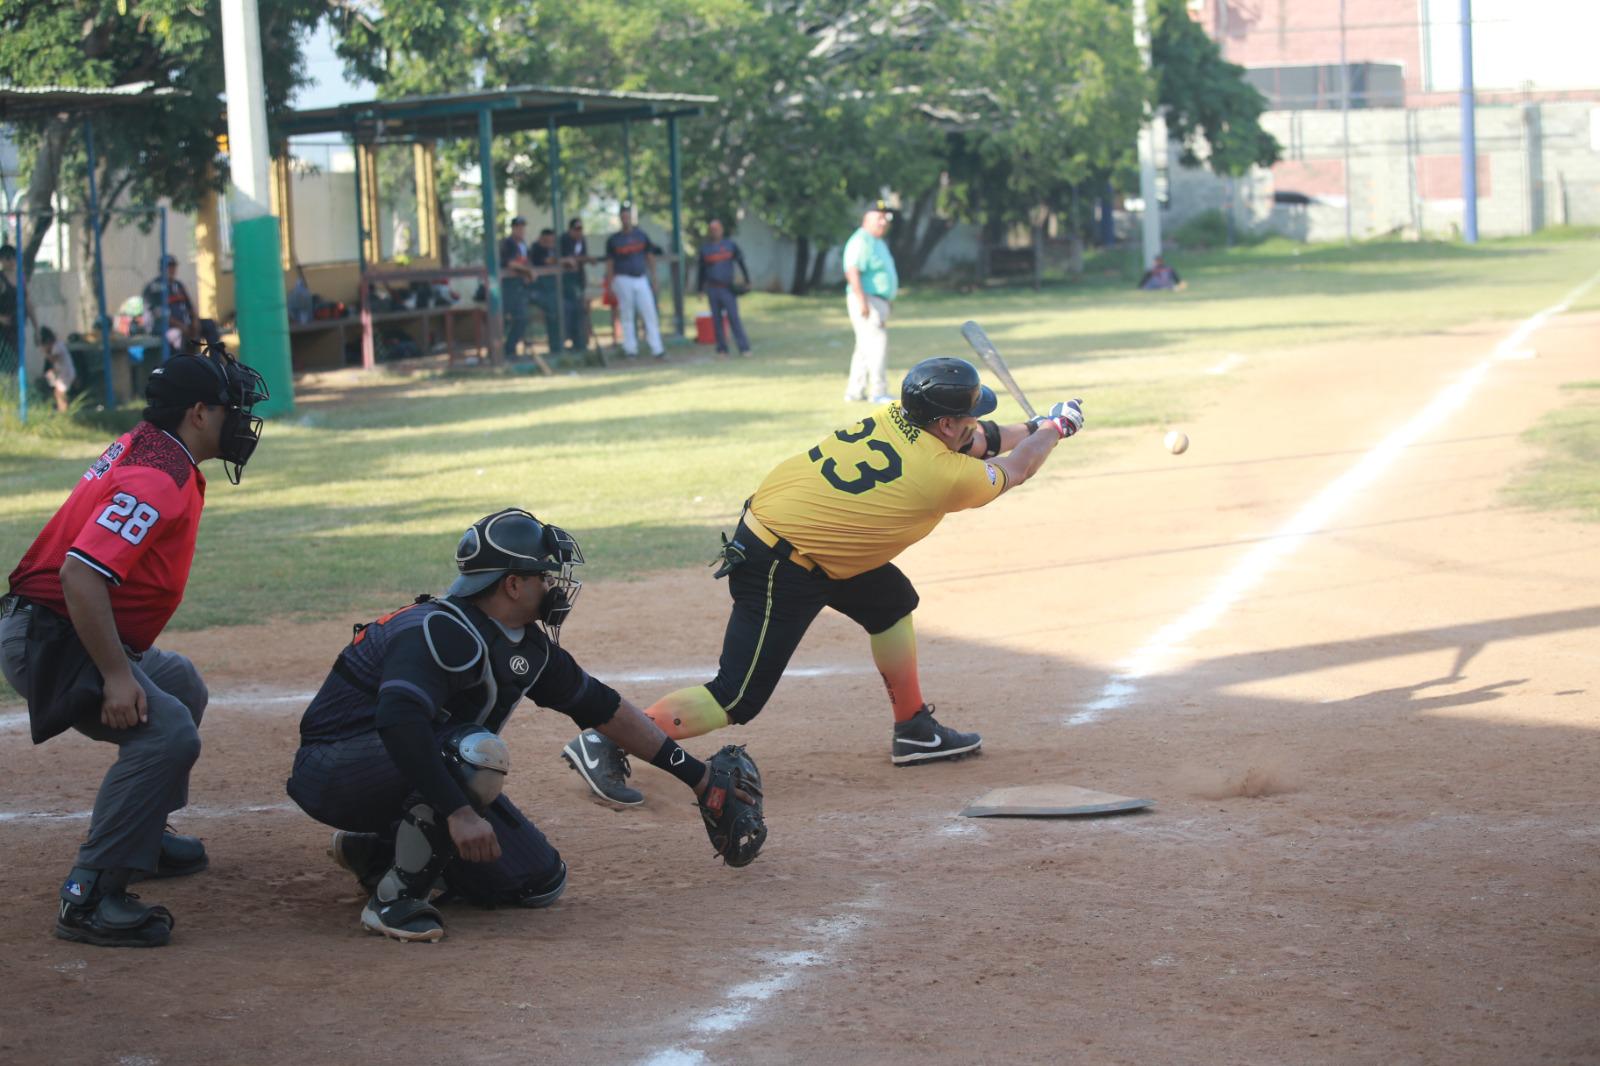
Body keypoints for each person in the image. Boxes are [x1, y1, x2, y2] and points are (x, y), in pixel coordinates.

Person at [560, 356, 1085, 805]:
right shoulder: (942, 475)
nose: (975, 421)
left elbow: (985, 440)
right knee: (736, 696)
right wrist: (1053, 430)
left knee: (891, 603)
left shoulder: (895, 417)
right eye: (968, 414)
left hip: (820, 542)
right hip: (781, 561)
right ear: (944, 425)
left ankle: (914, 729)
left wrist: (1034, 425)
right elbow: (1014, 468)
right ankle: (608, 740)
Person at [286, 509, 765, 943]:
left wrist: (700, 780)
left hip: (403, 769)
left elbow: (607, 710)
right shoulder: (436, 631)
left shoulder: (524, 647)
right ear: (513, 584)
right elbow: (397, 724)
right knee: (474, 755)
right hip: (335, 767)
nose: (555, 586)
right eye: (545, 575)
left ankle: (376, 852)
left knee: (537, 881)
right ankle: (392, 900)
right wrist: (459, 813)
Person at [1, 344, 270, 947]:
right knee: (167, 732)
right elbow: (80, 575)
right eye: (232, 408)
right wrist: (117, 677)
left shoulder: (155, 449)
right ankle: (91, 893)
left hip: (57, 622)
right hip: (51, 632)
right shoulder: (157, 475)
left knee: (180, 684)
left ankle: (143, 835)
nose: (241, 422)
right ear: (198, 413)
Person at [841, 202, 898, 404]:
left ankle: (855, 391)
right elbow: (852, 270)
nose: (883, 221)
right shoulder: (861, 240)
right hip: (866, 299)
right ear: (866, 219)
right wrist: (862, 301)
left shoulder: (877, 242)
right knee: (877, 344)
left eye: (885, 218)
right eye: (878, 217)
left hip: (878, 301)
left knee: (865, 347)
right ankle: (879, 391)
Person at [604, 202, 665, 360]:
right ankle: (630, 349)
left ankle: (657, 349)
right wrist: (610, 283)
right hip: (623, 278)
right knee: (627, 314)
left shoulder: (641, 235)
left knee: (649, 313)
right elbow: (610, 263)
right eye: (623, 216)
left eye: (628, 216)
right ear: (620, 218)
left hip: (640, 278)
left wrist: (654, 276)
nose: (626, 219)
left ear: (632, 217)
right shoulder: (614, 240)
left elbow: (649, 256)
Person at [696, 219, 753, 357]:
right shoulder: (706, 249)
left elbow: (740, 262)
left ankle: (744, 348)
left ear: (721, 230)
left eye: (717, 229)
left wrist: (747, 280)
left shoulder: (730, 245)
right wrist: (700, 289)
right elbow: (701, 271)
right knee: (717, 320)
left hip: (728, 288)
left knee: (734, 318)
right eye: (712, 229)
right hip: (713, 288)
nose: (715, 231)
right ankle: (722, 349)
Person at [529, 227, 583, 358]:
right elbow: (549, 261)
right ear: (541, 239)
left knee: (573, 306)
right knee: (555, 308)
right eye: (547, 241)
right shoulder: (536, 249)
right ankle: (556, 346)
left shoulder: (554, 249)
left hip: (554, 290)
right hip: (538, 291)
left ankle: (575, 342)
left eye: (552, 241)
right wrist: (564, 260)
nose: (550, 244)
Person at [498, 217, 537, 361]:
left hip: (520, 288)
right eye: (518, 227)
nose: (521, 230)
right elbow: (510, 263)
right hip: (507, 288)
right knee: (508, 320)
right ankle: (504, 351)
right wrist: (527, 271)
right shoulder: (507, 243)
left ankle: (510, 349)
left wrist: (528, 272)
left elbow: (526, 262)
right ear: (513, 228)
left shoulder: (523, 245)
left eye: (523, 227)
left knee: (521, 318)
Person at [141, 254, 200, 350]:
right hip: (163, 328)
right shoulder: (154, 287)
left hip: (184, 325)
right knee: (178, 335)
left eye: (173, 266)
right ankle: (181, 363)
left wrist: (195, 322)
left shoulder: (178, 285)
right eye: (169, 266)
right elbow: (160, 315)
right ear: (162, 269)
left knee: (209, 325)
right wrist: (182, 326)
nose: (172, 269)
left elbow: (191, 308)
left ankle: (216, 362)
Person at [0, 243, 39, 369]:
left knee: (17, 365)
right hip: (2, 330)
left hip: (17, 327)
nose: (11, 261)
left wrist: (36, 328)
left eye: (13, 257)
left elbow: (28, 302)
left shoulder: (20, 277)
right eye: (7, 258)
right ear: (2, 260)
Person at [558, 218, 594, 351]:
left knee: (582, 310)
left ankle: (581, 342)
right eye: (576, 229)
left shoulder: (582, 240)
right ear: (570, 229)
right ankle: (571, 340)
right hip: (566, 283)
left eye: (580, 229)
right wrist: (585, 259)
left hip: (578, 281)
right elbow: (569, 259)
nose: (579, 232)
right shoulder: (564, 240)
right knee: (570, 310)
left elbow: (580, 259)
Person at [39, 326, 77, 412]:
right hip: (64, 373)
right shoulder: (57, 346)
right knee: (58, 393)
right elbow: (57, 363)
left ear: (48, 341)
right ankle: (62, 409)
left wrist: (45, 353)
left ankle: (64, 411)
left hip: (66, 373)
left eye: (44, 345)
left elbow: (54, 359)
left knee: (60, 393)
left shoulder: (58, 347)